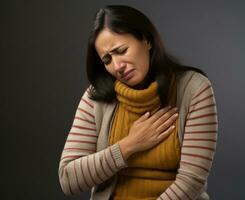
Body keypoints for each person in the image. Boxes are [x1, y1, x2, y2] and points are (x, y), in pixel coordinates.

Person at [58, 5, 218, 200]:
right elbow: (68, 179)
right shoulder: (96, 98)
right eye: (107, 60)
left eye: (122, 50)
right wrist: (129, 146)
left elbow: (191, 181)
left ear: (147, 40)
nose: (117, 66)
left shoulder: (194, 89)